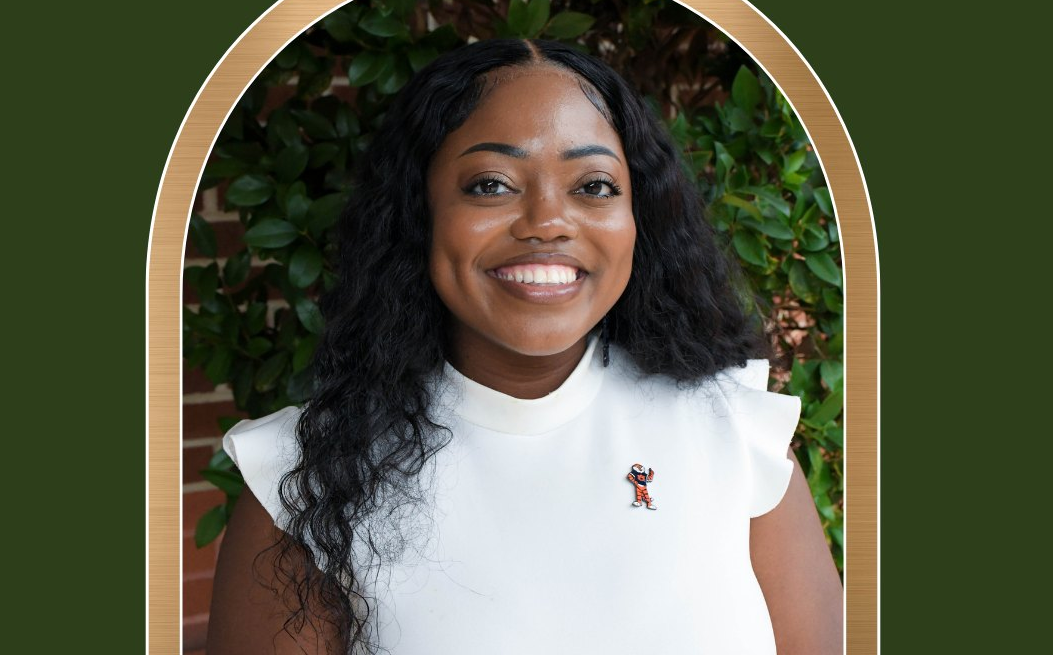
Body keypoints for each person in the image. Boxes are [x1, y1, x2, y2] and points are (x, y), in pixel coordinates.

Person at [207, 38, 843, 655]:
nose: (547, 222)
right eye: (491, 183)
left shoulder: (730, 428)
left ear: (638, 220)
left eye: (593, 186)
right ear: (418, 215)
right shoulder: (305, 479)